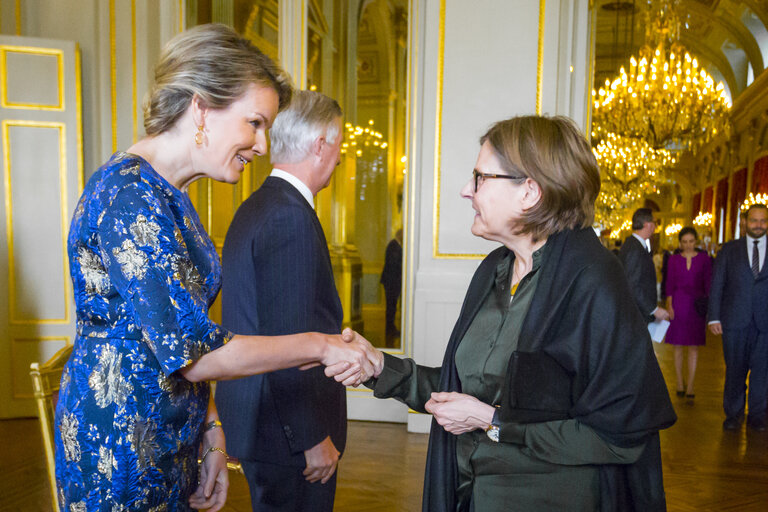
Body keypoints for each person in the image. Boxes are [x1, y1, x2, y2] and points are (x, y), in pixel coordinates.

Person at [54, 25, 376, 512]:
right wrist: (322, 344)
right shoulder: (129, 198)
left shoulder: (171, 198)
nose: (262, 145)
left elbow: (184, 335)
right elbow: (195, 354)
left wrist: (211, 433)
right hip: (122, 445)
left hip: (170, 433)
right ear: (201, 107)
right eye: (255, 122)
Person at [333, 115, 677, 511]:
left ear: (529, 191)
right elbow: (466, 393)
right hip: (472, 493)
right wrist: (380, 367)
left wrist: (492, 422)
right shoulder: (495, 270)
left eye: (480, 177)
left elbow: (620, 437)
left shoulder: (594, 281)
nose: (466, 190)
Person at [215, 90, 347, 512]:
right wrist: (311, 437)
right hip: (287, 433)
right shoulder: (288, 214)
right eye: (339, 142)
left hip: (264, 422)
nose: (341, 156)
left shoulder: (257, 206)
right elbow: (287, 338)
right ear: (321, 145)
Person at [709, 203, 768, 432]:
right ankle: (733, 415)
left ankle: (756, 416)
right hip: (734, 321)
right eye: (754, 220)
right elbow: (717, 285)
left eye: (763, 221)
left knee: (762, 372)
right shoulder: (729, 250)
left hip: (765, 322)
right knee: (734, 370)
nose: (758, 225)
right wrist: (714, 317)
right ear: (745, 222)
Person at [664, 227, 712, 401]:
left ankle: (691, 385)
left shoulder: (705, 259)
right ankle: (679, 382)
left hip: (696, 306)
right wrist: (669, 306)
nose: (688, 245)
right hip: (678, 303)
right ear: (680, 243)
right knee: (677, 346)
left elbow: (709, 284)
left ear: (696, 241)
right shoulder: (674, 260)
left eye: (691, 241)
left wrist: (709, 309)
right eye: (684, 242)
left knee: (693, 347)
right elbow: (668, 284)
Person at [618, 208, 670, 321]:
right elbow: (632, 284)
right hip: (636, 314)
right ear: (647, 225)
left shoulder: (635, 244)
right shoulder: (634, 248)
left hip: (637, 312)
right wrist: (653, 309)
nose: (655, 226)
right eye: (654, 222)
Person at [380, 228, 403, 345]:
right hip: (391, 282)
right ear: (401, 235)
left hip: (392, 282)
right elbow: (394, 264)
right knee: (391, 307)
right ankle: (390, 329)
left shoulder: (395, 245)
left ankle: (391, 328)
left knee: (392, 307)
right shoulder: (394, 246)